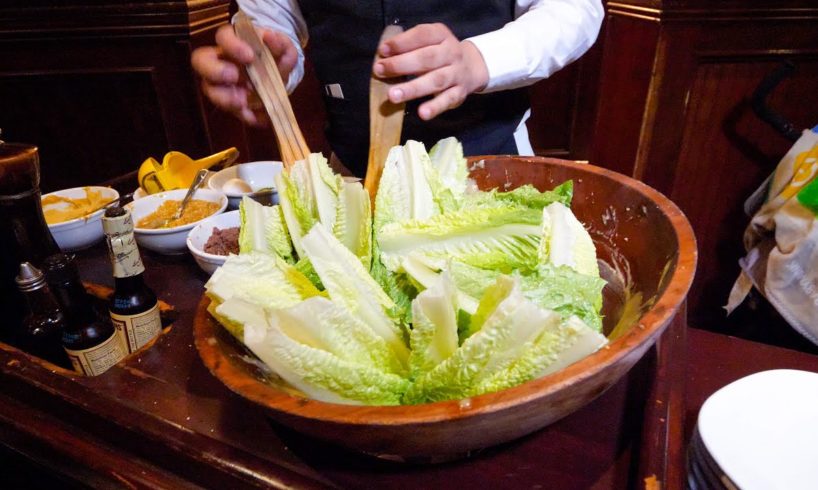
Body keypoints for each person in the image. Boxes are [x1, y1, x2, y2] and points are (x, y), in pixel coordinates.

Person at [192, 0, 604, 176]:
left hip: (494, 168)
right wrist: (265, 66)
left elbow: (575, 8)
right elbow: (272, 21)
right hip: (354, 177)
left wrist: (479, 60)